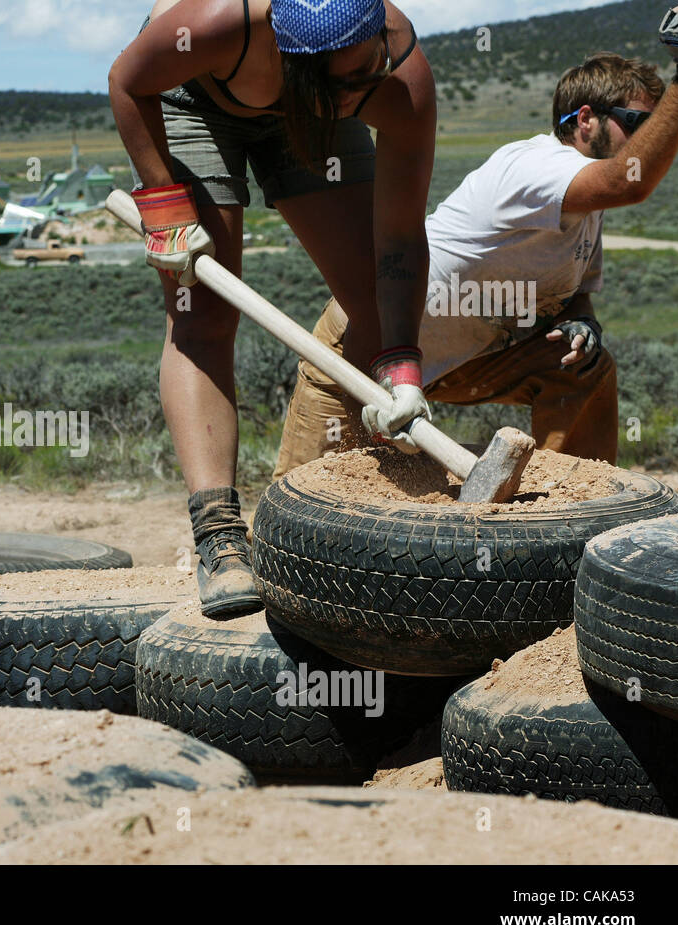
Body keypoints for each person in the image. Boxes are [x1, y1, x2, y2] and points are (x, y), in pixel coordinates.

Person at [109, 0, 436, 618]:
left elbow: (398, 238)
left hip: (303, 105)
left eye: (368, 74)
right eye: (345, 85)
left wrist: (404, 365)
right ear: (289, 59)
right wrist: (163, 202)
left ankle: (357, 518)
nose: (360, 92)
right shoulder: (216, 24)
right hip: (191, 101)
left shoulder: (395, 78)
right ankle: (220, 539)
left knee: (371, 303)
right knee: (202, 315)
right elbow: (127, 81)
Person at [274, 21, 678, 478]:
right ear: (585, 119)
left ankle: (569, 507)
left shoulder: (586, 206)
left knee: (584, 367)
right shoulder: (539, 168)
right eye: (640, 123)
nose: (652, 137)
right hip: (364, 344)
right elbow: (631, 182)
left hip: (458, 363)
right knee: (300, 507)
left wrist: (582, 321)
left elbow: (574, 296)